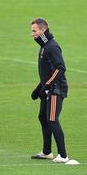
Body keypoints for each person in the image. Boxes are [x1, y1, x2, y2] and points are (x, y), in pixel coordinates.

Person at [30, 18, 69, 163]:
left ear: (43, 31)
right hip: (48, 88)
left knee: (52, 119)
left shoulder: (51, 47)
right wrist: (38, 88)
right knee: (43, 117)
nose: (32, 34)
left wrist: (47, 86)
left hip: (55, 90)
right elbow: (47, 72)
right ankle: (47, 152)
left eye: (34, 31)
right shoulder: (44, 46)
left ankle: (63, 155)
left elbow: (60, 69)